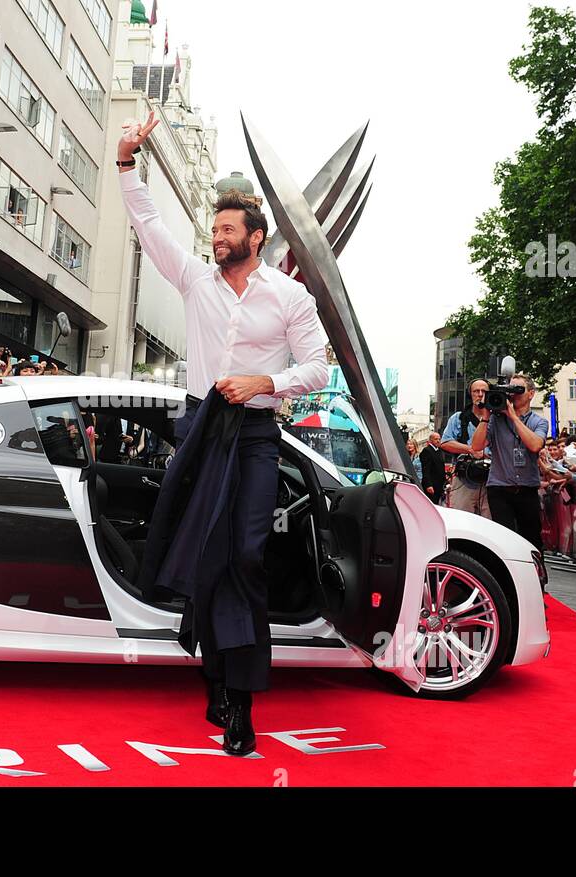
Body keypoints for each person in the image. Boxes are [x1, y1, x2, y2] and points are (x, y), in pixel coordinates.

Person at [119, 110, 329, 756]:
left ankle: (240, 701)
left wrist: (264, 384)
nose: (216, 237)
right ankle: (215, 672)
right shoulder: (192, 279)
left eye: (227, 229)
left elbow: (318, 368)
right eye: (213, 229)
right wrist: (128, 163)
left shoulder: (288, 299)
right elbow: (150, 227)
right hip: (201, 429)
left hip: (257, 435)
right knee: (205, 559)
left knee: (245, 555)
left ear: (256, 237)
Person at [469, 373, 550, 551]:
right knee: (503, 541)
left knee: (531, 540)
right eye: (510, 390)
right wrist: (485, 416)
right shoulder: (496, 420)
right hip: (499, 488)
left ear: (531, 393)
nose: (513, 394)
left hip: (527, 489)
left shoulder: (539, 422)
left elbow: (535, 445)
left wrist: (513, 417)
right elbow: (476, 446)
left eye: (518, 390)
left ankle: (535, 576)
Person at [439, 379, 492, 518]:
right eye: (476, 391)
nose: (480, 395)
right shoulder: (459, 418)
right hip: (465, 479)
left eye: (484, 391)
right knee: (462, 520)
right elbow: (445, 442)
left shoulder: (497, 419)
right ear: (470, 394)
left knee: (492, 525)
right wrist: (470, 450)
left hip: (491, 480)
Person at [419, 431, 445, 504]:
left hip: (439, 484)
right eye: (436, 439)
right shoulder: (427, 451)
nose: (438, 441)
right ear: (430, 440)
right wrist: (428, 485)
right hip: (432, 485)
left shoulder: (439, 450)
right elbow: (425, 469)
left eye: (439, 439)